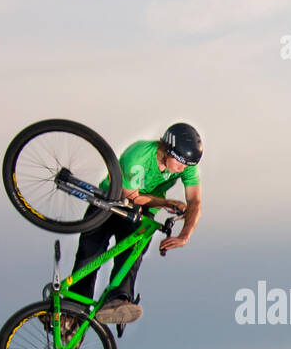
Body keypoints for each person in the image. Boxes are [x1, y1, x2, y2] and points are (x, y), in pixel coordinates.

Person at [70, 122, 203, 323]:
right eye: (180, 163)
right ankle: (72, 312)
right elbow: (131, 195)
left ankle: (117, 300)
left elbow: (195, 201)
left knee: (134, 252)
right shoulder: (138, 155)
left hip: (142, 211)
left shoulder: (185, 166)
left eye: (187, 165)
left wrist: (184, 236)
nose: (182, 169)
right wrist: (166, 203)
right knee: (90, 255)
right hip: (110, 201)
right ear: (167, 149)